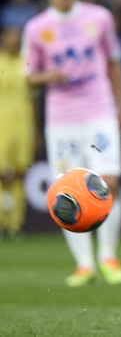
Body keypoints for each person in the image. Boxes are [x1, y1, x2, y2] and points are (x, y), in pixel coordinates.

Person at [22, 0, 121, 287]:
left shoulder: (98, 18)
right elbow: (29, 77)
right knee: (65, 190)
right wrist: (47, 76)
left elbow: (114, 64)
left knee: (108, 180)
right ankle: (84, 264)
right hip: (62, 118)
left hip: (99, 110)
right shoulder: (36, 28)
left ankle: (108, 255)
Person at [0, 27, 35, 239]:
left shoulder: (27, 62)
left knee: (20, 174)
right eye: (9, 37)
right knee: (2, 175)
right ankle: (2, 222)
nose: (12, 41)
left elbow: (33, 97)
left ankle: (15, 224)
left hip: (24, 125)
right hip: (1, 124)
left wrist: (37, 129)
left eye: (16, 38)